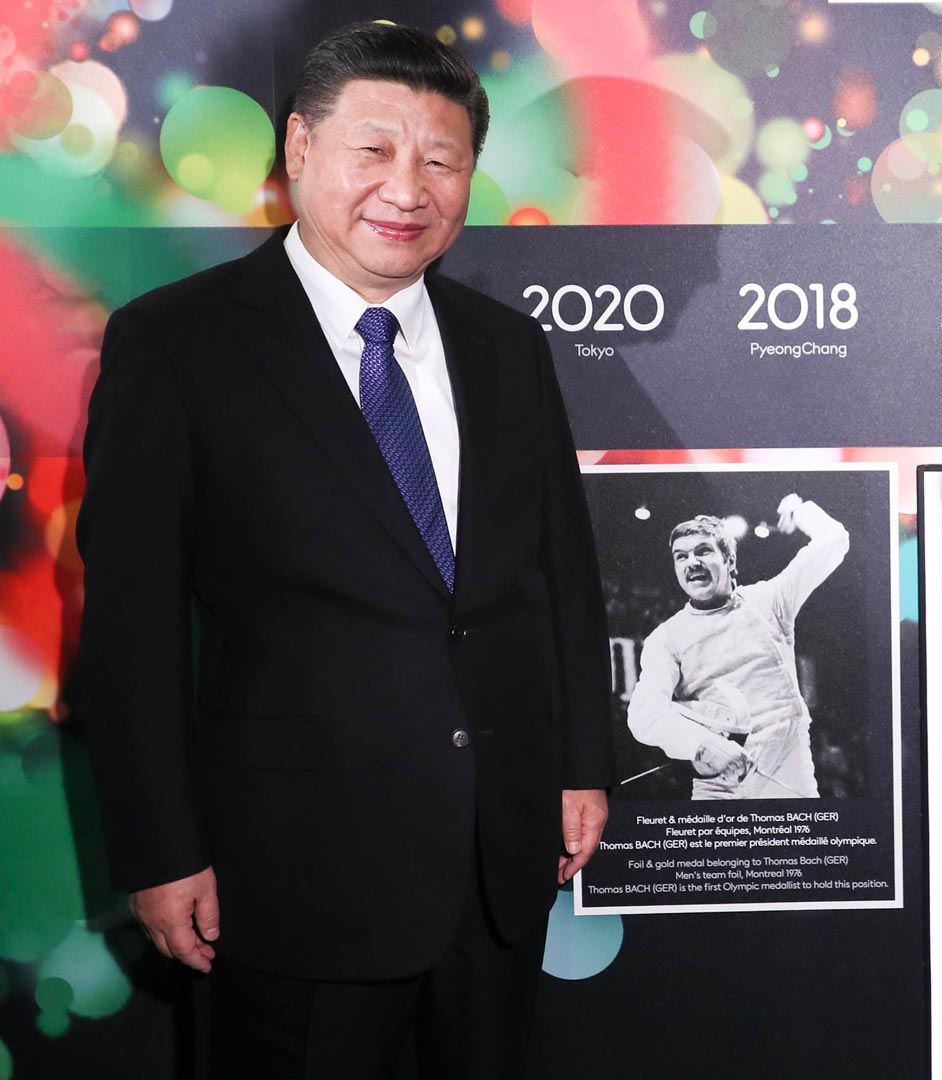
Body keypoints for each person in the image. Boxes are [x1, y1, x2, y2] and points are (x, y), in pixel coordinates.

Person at [74, 23, 613, 1079]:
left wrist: (582, 763)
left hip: (498, 860)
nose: (407, 189)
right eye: (374, 150)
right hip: (290, 876)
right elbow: (131, 632)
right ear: (299, 148)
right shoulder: (177, 344)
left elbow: (561, 574)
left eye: (442, 160)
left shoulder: (507, 347)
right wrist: (161, 849)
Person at [626, 494, 849, 799]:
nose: (692, 562)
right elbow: (644, 712)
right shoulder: (666, 638)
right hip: (718, 784)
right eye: (681, 556)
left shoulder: (769, 601)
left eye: (703, 551)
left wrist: (799, 512)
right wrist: (702, 744)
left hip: (787, 777)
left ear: (729, 560)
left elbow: (834, 540)